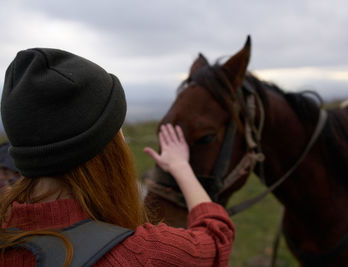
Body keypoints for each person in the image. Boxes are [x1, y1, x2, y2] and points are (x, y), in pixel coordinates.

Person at [0, 48, 234, 266]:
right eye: (117, 128)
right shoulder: (142, 253)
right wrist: (181, 166)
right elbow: (215, 239)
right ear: (102, 147)